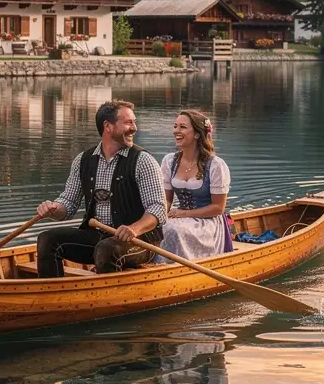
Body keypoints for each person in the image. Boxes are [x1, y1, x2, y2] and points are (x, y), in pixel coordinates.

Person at [35, 100, 167, 277]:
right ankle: (51, 296)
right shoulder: (83, 160)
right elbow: (68, 204)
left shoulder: (144, 161)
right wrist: (53, 208)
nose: (134, 128)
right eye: (128, 122)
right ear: (108, 126)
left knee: (107, 250)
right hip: (97, 237)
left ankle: (108, 300)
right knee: (47, 239)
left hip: (140, 241)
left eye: (134, 122)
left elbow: (158, 208)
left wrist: (134, 229)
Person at [159, 109, 231, 260]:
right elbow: (167, 200)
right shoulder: (169, 161)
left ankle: (175, 269)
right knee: (159, 227)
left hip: (208, 222)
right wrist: (160, 216)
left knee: (174, 230)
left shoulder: (216, 165)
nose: (176, 131)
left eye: (182, 127)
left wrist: (183, 214)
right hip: (180, 218)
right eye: (175, 126)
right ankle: (157, 266)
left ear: (197, 134)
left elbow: (218, 208)